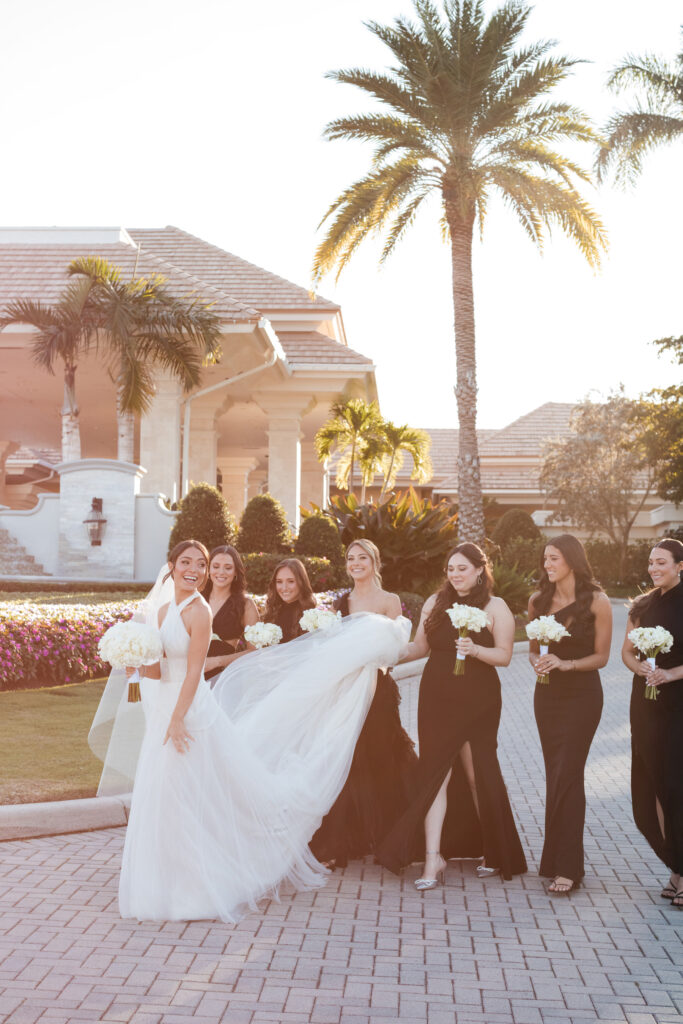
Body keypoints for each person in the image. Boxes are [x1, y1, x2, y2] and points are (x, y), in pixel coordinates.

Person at [116, 539, 409, 922]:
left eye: (201, 564)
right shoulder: (165, 610)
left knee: (190, 791)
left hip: (189, 710)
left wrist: (178, 717)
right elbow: (160, 668)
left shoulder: (199, 611)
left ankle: (202, 880)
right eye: (187, 562)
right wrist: (135, 665)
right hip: (163, 708)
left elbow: (194, 670)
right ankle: (166, 879)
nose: (196, 570)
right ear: (170, 566)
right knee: (164, 793)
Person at [377, 543, 527, 888]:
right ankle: (433, 859)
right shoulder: (435, 602)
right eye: (450, 568)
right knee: (435, 774)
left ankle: (492, 848)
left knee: (478, 775)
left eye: (462, 568)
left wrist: (475, 649)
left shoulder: (495, 606)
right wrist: (387, 650)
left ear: (479, 570)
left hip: (479, 698)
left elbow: (504, 655)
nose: (455, 574)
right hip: (437, 696)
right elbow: (419, 648)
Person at [309, 539, 418, 868]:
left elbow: (397, 650)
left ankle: (390, 841)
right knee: (349, 762)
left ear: (374, 562)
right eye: (350, 558)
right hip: (347, 690)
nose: (355, 563)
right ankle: (343, 843)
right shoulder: (343, 602)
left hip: (378, 691)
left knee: (382, 760)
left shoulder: (390, 601)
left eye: (362, 558)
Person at [528, 534, 612, 896]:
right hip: (546, 696)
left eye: (554, 559)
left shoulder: (598, 601)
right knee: (555, 775)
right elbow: (532, 651)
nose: (547, 565)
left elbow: (602, 657)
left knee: (569, 773)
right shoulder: (537, 600)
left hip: (582, 696)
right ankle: (552, 861)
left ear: (572, 561)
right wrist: (541, 663)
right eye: (545, 559)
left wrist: (566, 663)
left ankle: (569, 869)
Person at [621, 537, 683, 907]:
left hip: (679, 706)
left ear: (679, 565)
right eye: (650, 563)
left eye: (662, 562)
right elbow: (626, 652)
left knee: (675, 787)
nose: (654, 569)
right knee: (649, 791)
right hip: (644, 704)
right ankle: (674, 868)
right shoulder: (642, 605)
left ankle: (681, 873)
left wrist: (671, 675)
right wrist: (642, 667)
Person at [202, 545, 259, 680]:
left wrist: (217, 661)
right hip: (191, 675)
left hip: (223, 677)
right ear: (208, 570)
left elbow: (255, 651)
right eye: (215, 566)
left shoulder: (246, 605)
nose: (221, 572)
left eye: (228, 568)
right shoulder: (196, 599)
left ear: (235, 573)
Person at [263, 558, 316, 642]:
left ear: (301, 582)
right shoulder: (273, 611)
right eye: (279, 581)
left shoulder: (311, 617)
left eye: (291, 581)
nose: (284, 588)